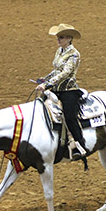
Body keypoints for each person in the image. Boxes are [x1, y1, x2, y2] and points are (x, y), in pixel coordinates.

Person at [36, 23, 86, 160]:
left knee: (69, 116)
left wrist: (47, 84)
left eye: (62, 37)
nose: (58, 40)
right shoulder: (59, 51)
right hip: (57, 88)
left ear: (69, 38)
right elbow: (56, 70)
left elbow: (65, 73)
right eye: (58, 37)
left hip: (69, 90)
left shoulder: (74, 54)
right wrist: (45, 79)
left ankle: (79, 144)